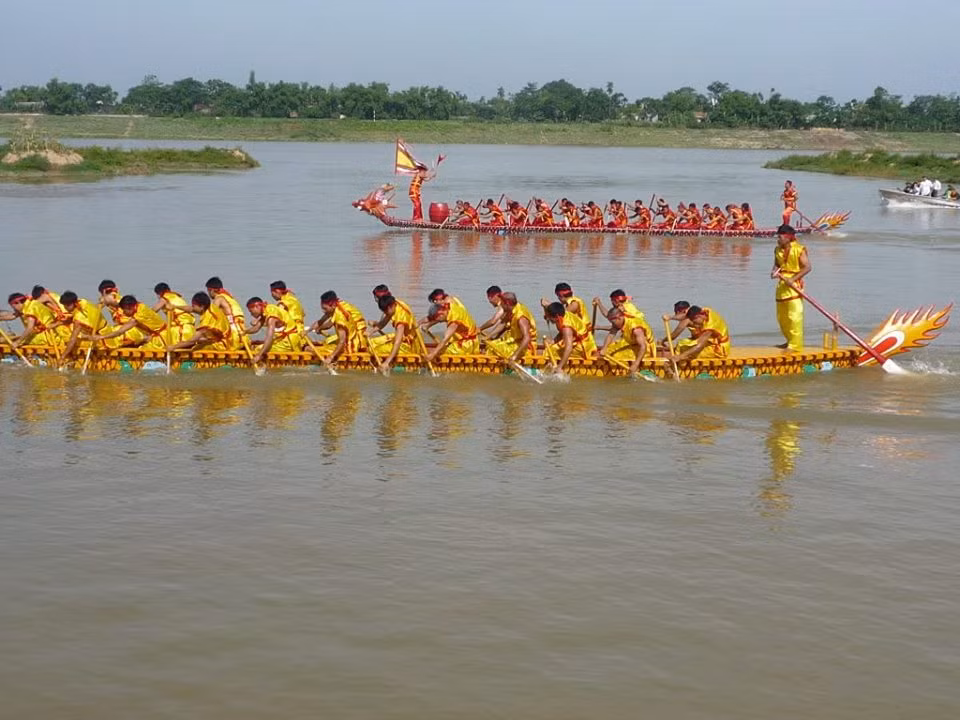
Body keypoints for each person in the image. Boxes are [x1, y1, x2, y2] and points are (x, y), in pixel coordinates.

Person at [771, 223, 811, 352]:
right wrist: (774, 271)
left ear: (788, 237)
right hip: (782, 286)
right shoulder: (777, 249)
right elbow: (777, 264)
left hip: (794, 285)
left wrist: (793, 279)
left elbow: (807, 267)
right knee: (782, 317)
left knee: (794, 316)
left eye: (780, 236)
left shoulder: (799, 249)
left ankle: (795, 345)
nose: (778, 239)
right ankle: (789, 340)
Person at [312, 290, 369, 366]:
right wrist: (308, 330)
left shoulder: (340, 315)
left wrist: (330, 357)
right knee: (327, 341)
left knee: (309, 348)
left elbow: (330, 324)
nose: (323, 311)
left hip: (358, 330)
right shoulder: (336, 306)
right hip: (351, 334)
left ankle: (359, 348)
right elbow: (322, 321)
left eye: (325, 309)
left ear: (332, 305)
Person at [167, 292, 235, 352]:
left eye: (194, 305)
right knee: (198, 341)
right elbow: (190, 309)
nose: (192, 307)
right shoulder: (210, 306)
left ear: (202, 306)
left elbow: (191, 341)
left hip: (224, 344)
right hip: (221, 337)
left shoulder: (207, 320)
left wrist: (173, 347)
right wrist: (174, 306)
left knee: (194, 347)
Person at [422, 291, 479, 362]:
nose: (438, 321)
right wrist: (425, 325)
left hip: (465, 346)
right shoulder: (450, 305)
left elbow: (445, 339)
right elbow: (440, 318)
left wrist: (433, 354)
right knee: (440, 348)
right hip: (471, 341)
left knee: (439, 352)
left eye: (438, 319)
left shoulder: (454, 321)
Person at [97, 295, 168, 349]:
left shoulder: (137, 317)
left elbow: (119, 332)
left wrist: (101, 337)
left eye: (124, 310)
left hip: (162, 338)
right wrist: (106, 301)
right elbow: (117, 304)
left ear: (129, 307)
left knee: (141, 350)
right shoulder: (140, 305)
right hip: (157, 335)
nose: (124, 313)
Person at [245, 296, 303, 362]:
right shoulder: (266, 310)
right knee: (258, 347)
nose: (251, 314)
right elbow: (256, 328)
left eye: (251, 311)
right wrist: (245, 332)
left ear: (257, 307)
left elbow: (269, 337)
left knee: (257, 349)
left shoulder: (271, 317)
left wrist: (259, 355)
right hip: (285, 340)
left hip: (289, 342)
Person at [543, 301, 597, 372]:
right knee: (551, 347)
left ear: (556, 316)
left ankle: (553, 366)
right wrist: (553, 341)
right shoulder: (563, 314)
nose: (549, 319)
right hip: (582, 341)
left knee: (550, 351)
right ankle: (550, 364)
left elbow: (569, 348)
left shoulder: (567, 327)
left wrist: (560, 367)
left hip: (582, 347)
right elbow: (561, 333)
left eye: (550, 317)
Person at [369, 294, 418, 372]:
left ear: (390, 307)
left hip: (407, 345)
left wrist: (386, 362)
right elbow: (384, 322)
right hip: (402, 337)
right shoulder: (395, 304)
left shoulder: (401, 320)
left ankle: (395, 367)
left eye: (386, 311)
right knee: (371, 343)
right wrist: (370, 332)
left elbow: (397, 342)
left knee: (373, 349)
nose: (385, 314)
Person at [486, 292, 537, 363]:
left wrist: (515, 355)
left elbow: (527, 338)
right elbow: (503, 323)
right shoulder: (512, 309)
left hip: (526, 347)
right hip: (515, 341)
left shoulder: (521, 318)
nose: (500, 305)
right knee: (491, 344)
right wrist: (488, 336)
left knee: (492, 348)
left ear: (507, 303)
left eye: (502, 303)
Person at [600, 308, 651, 374]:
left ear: (619, 318)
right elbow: (611, 335)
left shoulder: (635, 328)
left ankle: (626, 372)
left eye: (613, 322)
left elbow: (643, 346)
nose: (612, 324)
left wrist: (636, 364)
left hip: (646, 348)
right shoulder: (619, 323)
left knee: (616, 356)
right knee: (609, 350)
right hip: (633, 344)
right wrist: (604, 348)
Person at [59, 291, 105, 358]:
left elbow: (73, 339)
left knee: (68, 338)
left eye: (67, 305)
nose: (65, 308)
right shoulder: (83, 302)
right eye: (64, 305)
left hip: (101, 340)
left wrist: (63, 356)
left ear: (74, 303)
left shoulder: (78, 318)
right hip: (102, 332)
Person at [205, 277, 248, 341]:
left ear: (211, 290)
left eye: (208, 291)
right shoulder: (230, 298)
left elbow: (210, 316)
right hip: (243, 335)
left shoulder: (218, 299)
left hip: (232, 336)